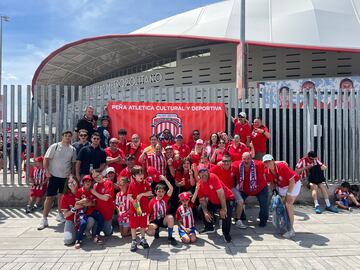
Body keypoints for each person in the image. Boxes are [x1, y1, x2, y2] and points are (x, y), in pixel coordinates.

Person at [38, 131, 77, 230]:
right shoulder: (54, 146)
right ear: (62, 137)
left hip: (65, 177)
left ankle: (60, 214)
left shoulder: (72, 149)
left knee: (62, 197)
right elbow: (46, 159)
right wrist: (47, 171)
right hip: (54, 176)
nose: (67, 137)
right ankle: (44, 219)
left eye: (69, 136)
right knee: (49, 197)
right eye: (66, 136)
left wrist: (71, 175)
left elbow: (73, 164)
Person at [263, 154, 300, 239]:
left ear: (273, 161)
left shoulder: (282, 166)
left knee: (288, 204)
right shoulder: (266, 171)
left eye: (269, 161)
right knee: (279, 205)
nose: (268, 163)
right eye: (266, 162)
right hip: (282, 186)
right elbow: (272, 183)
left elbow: (292, 181)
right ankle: (284, 225)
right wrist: (274, 192)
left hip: (294, 184)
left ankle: (291, 230)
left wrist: (289, 194)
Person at [197, 167, 235, 243]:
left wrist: (224, 208)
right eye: (201, 173)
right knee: (201, 208)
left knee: (226, 214)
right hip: (214, 201)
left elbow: (221, 193)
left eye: (205, 172)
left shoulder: (213, 177)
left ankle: (226, 233)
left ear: (208, 173)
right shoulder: (199, 184)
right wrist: (205, 212)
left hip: (227, 198)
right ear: (199, 176)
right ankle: (209, 227)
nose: (204, 174)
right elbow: (202, 200)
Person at [210, 154, 246, 229]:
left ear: (231, 162)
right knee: (222, 201)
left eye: (228, 161)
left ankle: (237, 219)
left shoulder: (234, 168)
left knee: (240, 201)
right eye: (224, 161)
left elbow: (243, 161)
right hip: (220, 189)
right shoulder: (217, 168)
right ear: (221, 161)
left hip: (231, 188)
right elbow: (208, 174)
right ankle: (221, 219)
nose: (226, 163)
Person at [235, 152, 268, 227]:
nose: (246, 161)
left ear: (251, 159)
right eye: (244, 159)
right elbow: (226, 164)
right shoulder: (238, 165)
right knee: (238, 201)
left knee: (264, 204)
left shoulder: (259, 164)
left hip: (260, 189)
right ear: (241, 159)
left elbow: (269, 163)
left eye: (248, 159)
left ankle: (263, 220)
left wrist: (281, 162)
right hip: (245, 189)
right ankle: (241, 217)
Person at [74, 175, 104, 248]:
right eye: (86, 181)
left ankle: (96, 235)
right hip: (82, 211)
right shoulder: (79, 191)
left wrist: (88, 202)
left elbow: (94, 203)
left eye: (89, 181)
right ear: (83, 183)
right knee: (83, 223)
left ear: (91, 183)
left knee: (101, 219)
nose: (88, 183)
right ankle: (78, 239)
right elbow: (77, 203)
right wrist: (83, 201)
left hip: (91, 210)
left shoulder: (92, 191)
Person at [127, 166, 153, 252]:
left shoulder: (145, 183)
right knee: (134, 225)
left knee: (143, 224)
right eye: (138, 174)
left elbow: (150, 192)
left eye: (142, 173)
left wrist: (142, 194)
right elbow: (129, 195)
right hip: (135, 208)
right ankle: (134, 241)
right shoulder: (131, 184)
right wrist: (133, 201)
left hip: (144, 207)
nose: (141, 175)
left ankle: (142, 239)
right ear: (134, 176)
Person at [147, 178, 177, 246]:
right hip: (154, 221)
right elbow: (148, 213)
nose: (160, 193)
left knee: (170, 217)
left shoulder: (165, 198)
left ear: (165, 192)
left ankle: (170, 237)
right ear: (155, 192)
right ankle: (155, 231)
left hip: (163, 220)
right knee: (150, 233)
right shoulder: (152, 201)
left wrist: (165, 179)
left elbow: (171, 188)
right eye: (159, 191)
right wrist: (147, 223)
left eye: (162, 191)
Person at [90, 170, 115, 236]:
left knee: (108, 234)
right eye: (95, 177)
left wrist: (94, 193)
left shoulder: (108, 183)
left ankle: (110, 228)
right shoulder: (95, 185)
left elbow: (105, 198)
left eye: (98, 175)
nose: (97, 178)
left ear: (101, 174)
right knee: (94, 234)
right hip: (99, 214)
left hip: (107, 212)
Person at [60, 176, 80, 245]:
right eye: (69, 183)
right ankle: (77, 234)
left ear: (77, 182)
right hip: (70, 220)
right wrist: (74, 208)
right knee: (68, 241)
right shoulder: (65, 196)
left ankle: (85, 232)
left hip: (82, 219)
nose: (72, 184)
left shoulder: (82, 191)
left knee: (91, 220)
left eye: (73, 182)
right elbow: (65, 215)